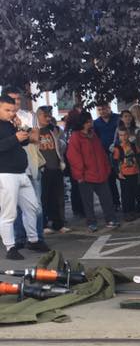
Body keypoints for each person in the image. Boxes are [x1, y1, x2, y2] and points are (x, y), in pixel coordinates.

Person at [0, 94, 49, 260]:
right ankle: (10, 247)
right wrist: (15, 138)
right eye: (7, 110)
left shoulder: (10, 123)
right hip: (5, 173)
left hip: (21, 172)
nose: (11, 113)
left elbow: (26, 142)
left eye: (13, 110)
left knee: (32, 207)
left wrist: (21, 129)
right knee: (9, 213)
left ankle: (33, 240)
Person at [66, 112, 120, 232]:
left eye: (90, 121)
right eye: (88, 122)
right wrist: (79, 173)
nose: (90, 123)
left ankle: (110, 219)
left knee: (107, 198)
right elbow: (73, 156)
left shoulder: (93, 135)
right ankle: (91, 222)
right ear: (82, 123)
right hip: (86, 174)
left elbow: (101, 152)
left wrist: (106, 167)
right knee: (88, 202)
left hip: (100, 172)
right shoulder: (76, 136)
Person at [5, 86, 43, 245]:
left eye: (18, 99)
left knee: (35, 205)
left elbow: (34, 138)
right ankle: (18, 239)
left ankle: (37, 238)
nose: (16, 102)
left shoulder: (28, 115)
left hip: (30, 166)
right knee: (12, 208)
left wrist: (21, 127)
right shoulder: (3, 118)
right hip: (8, 169)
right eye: (12, 99)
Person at [36, 105, 70, 234]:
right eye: (45, 116)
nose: (48, 118)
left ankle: (58, 223)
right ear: (38, 116)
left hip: (56, 166)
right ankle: (43, 224)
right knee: (43, 198)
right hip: (42, 169)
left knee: (57, 197)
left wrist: (60, 144)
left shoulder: (55, 129)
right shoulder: (34, 130)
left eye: (49, 115)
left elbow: (63, 144)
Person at [93, 102, 120, 209]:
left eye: (103, 109)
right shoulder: (96, 123)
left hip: (120, 152)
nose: (102, 112)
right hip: (105, 154)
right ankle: (115, 203)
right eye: (99, 110)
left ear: (109, 108)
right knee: (110, 179)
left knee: (123, 177)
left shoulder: (117, 118)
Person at [113, 122, 140, 221]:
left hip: (134, 172)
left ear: (128, 135)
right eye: (121, 135)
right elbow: (115, 161)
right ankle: (126, 212)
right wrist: (118, 173)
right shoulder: (118, 148)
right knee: (126, 194)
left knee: (134, 192)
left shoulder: (133, 146)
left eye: (125, 135)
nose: (124, 137)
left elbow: (139, 154)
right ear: (118, 136)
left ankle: (133, 211)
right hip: (124, 174)